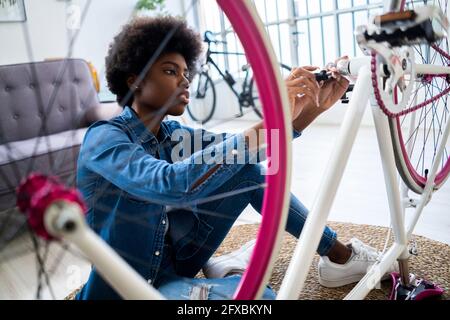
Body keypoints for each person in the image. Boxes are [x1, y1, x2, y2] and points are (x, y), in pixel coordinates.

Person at [75, 16, 395, 300]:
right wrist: (274, 112)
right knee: (260, 298)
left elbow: (246, 149)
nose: (185, 80)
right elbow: (172, 185)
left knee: (245, 170)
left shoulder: (170, 132)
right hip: (132, 290)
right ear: (135, 81)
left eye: (186, 72)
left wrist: (311, 107)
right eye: (171, 71)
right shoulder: (104, 139)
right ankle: (227, 273)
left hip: (178, 261)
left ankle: (340, 257)